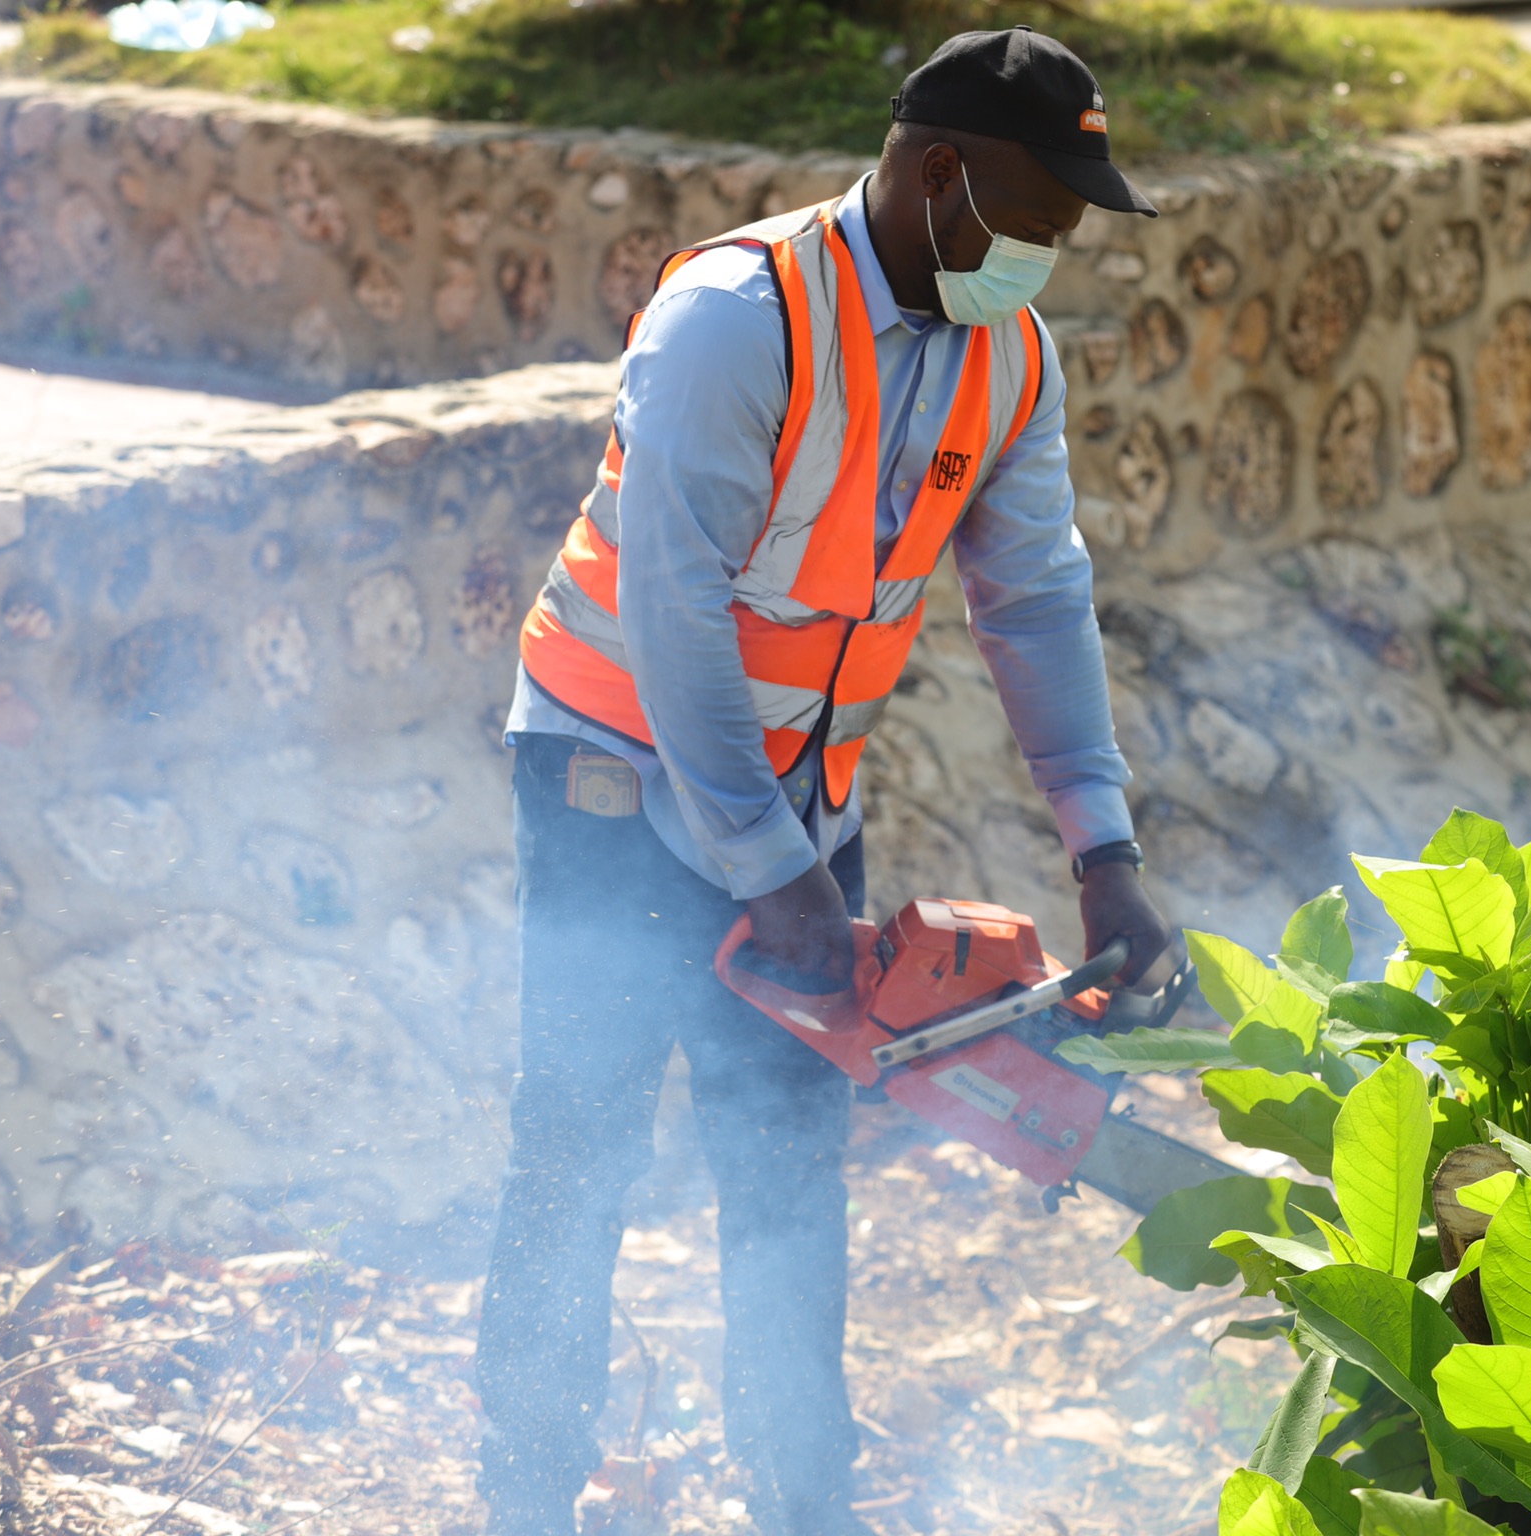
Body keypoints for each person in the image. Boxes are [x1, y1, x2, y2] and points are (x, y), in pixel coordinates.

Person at [476, 26, 1178, 1536]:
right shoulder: (740, 321)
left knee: (790, 1164)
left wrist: (1103, 849)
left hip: (795, 809)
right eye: (1034, 217)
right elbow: (675, 609)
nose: (1047, 254)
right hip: (612, 786)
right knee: (580, 1143)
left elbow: (1037, 600)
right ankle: (521, 1494)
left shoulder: (1009, 354)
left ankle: (805, 1499)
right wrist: (771, 869)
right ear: (939, 173)